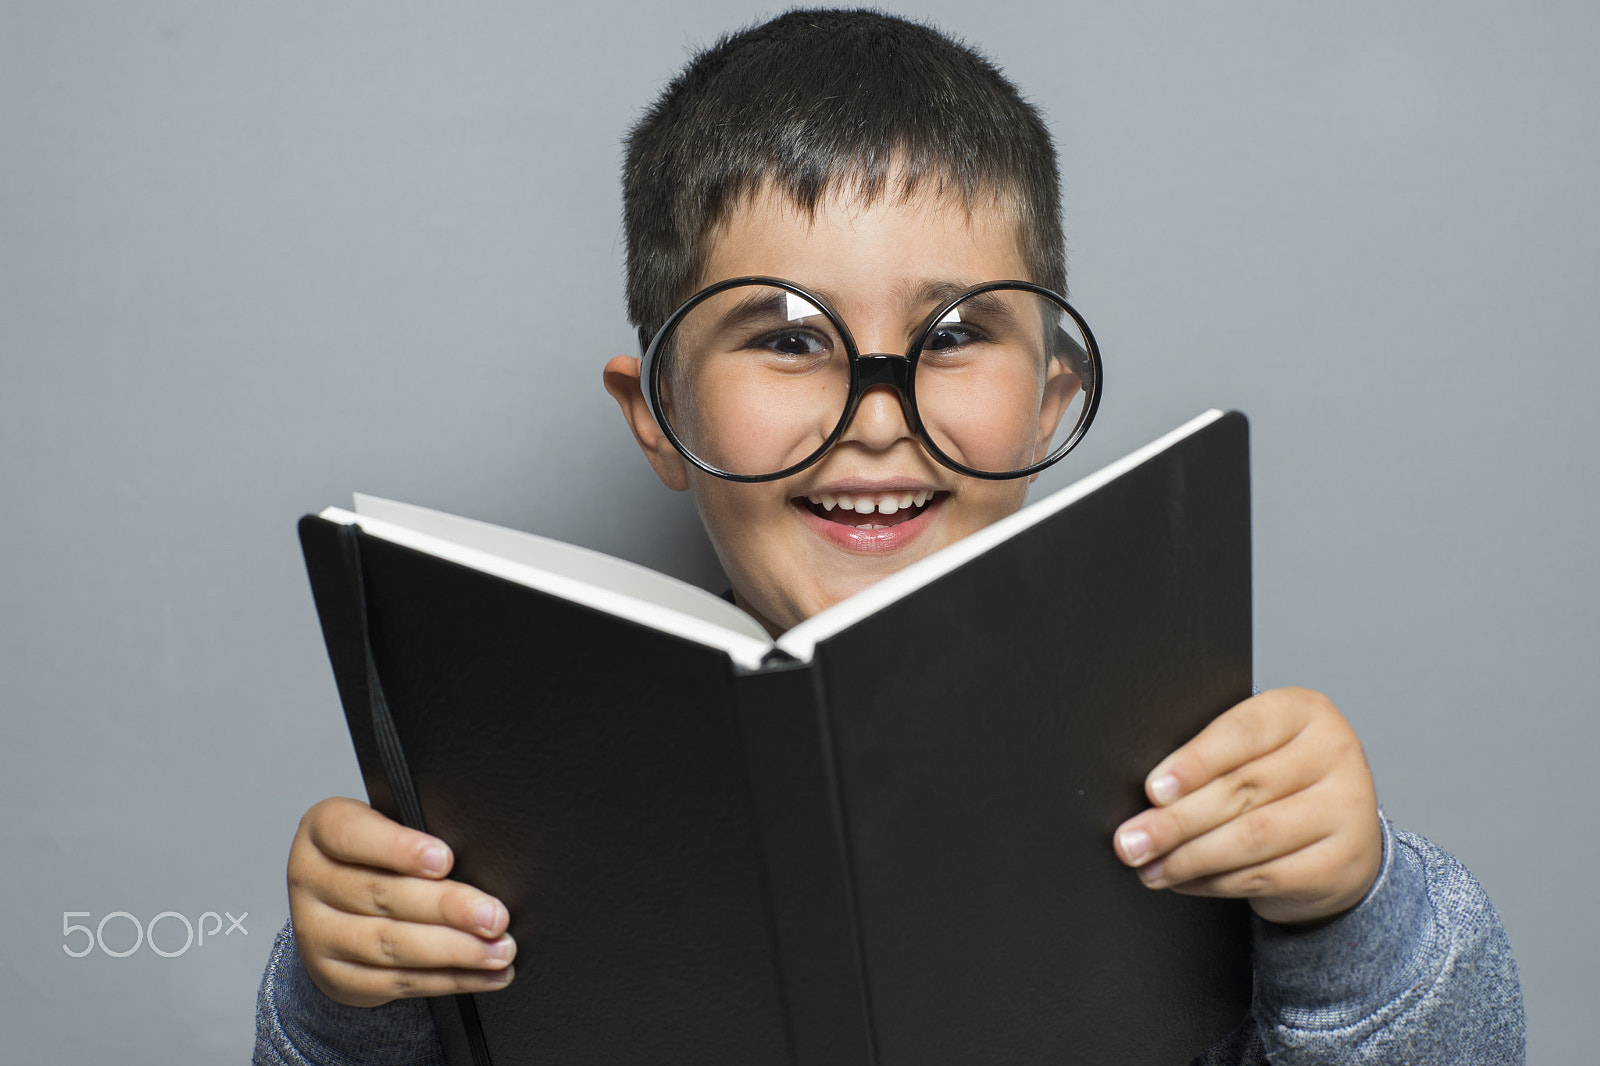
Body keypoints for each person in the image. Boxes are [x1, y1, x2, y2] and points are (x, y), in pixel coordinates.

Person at [254, 10, 1524, 1064]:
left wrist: (1353, 920)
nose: (876, 416)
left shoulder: (1217, 776)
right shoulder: (499, 803)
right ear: (658, 414)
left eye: (959, 332)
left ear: (1054, 394)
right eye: (788, 338)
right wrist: (345, 1010)